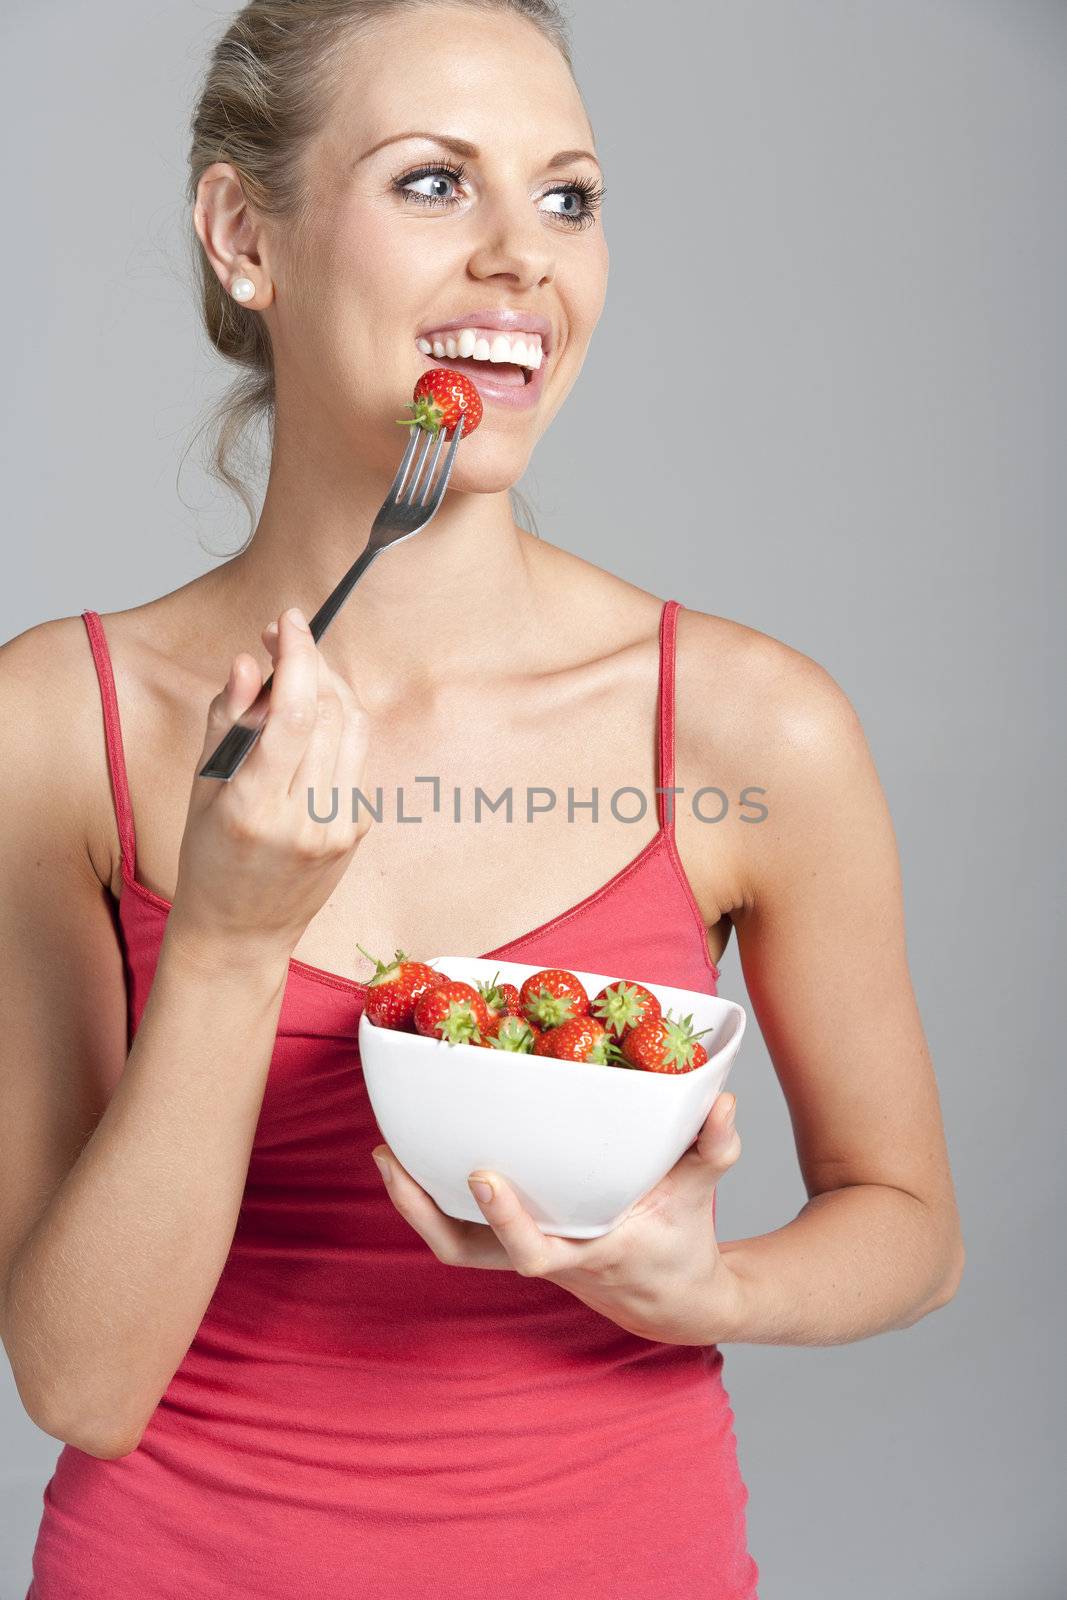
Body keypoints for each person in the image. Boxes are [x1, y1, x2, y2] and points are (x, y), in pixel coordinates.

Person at [0, 2, 965, 1596]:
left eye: (569, 197)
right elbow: (80, 1383)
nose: (526, 258)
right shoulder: (54, 729)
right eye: (435, 183)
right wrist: (232, 943)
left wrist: (706, 1289)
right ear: (249, 232)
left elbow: (910, 1225)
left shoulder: (749, 730)